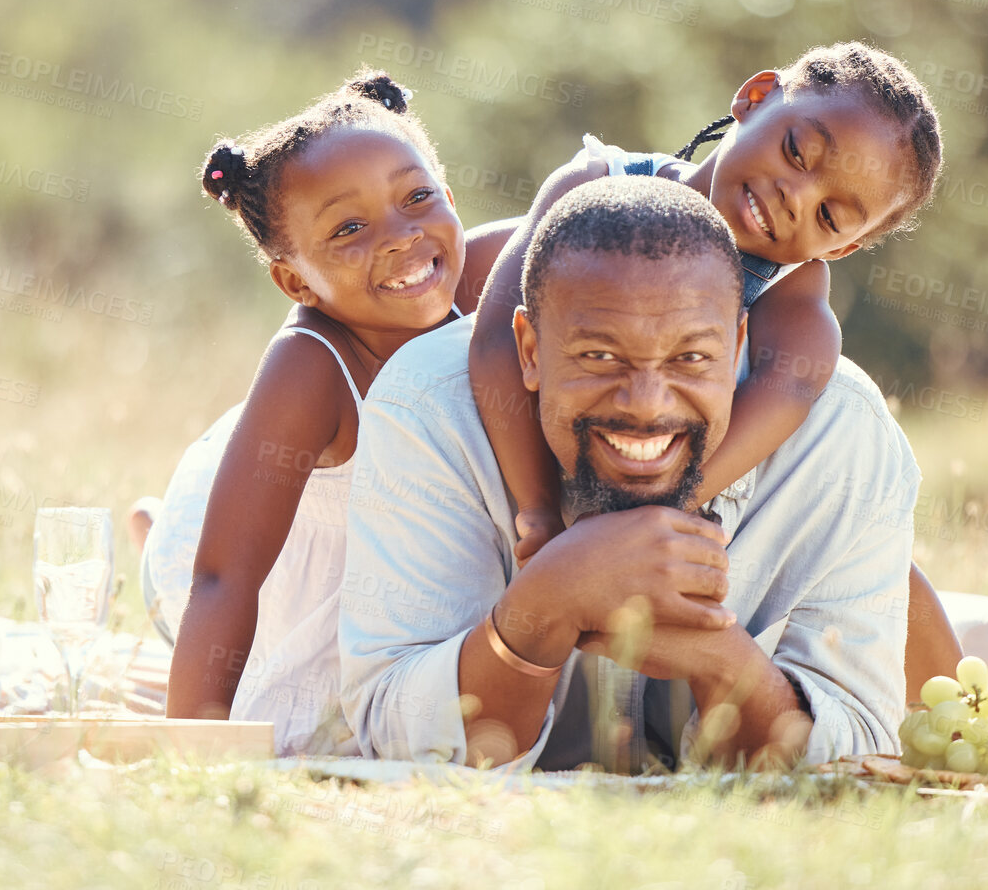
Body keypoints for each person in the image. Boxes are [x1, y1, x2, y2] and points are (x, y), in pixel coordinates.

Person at [341, 177, 921, 770]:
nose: (646, 404)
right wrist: (545, 605)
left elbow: (858, 757)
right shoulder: (427, 406)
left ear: (737, 341)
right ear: (531, 350)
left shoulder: (845, 436)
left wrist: (719, 655)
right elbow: (394, 738)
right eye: (599, 356)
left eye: (691, 357)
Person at [469, 42, 963, 696]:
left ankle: (978, 711)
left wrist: (662, 514)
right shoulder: (595, 187)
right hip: (535, 459)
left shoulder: (795, 306)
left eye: (827, 215)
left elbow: (787, 394)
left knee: (874, 560)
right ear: (754, 98)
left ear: (843, 246)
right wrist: (535, 511)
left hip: (663, 490)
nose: (795, 196)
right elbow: (496, 342)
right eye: (796, 153)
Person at [148, 70, 513, 753]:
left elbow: (606, 217)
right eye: (349, 228)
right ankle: (148, 538)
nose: (402, 236)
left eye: (417, 197)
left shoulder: (487, 271)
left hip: (393, 557)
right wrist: (191, 752)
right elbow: (225, 576)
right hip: (244, 551)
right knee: (307, 717)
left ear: (450, 196)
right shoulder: (312, 366)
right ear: (295, 281)